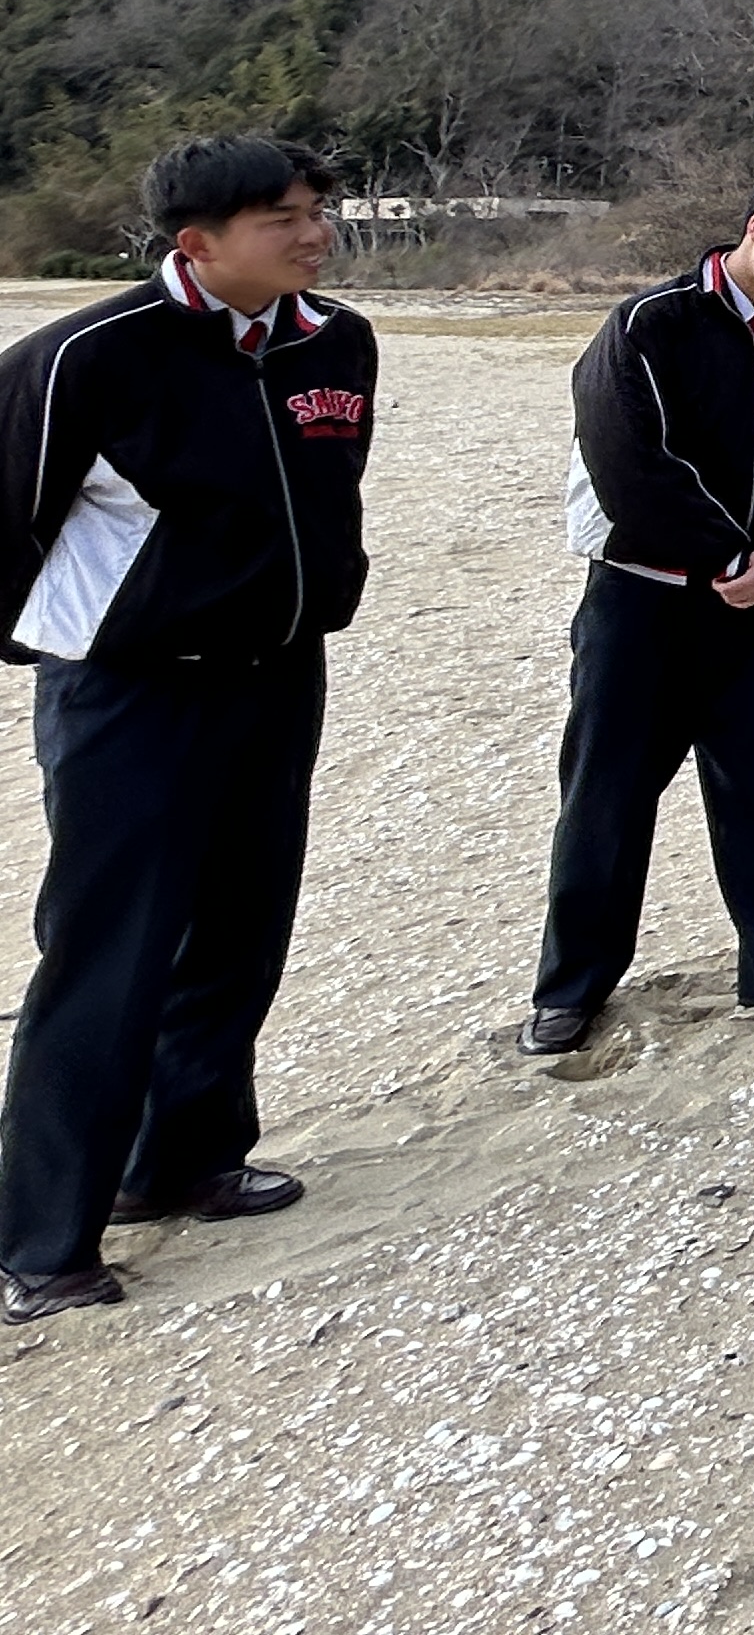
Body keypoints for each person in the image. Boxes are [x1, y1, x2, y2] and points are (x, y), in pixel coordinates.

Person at [0, 137, 375, 1324]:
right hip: (134, 694)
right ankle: (41, 1240)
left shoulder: (338, 342)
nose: (314, 235)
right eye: (284, 220)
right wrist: (64, 645)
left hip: (278, 676)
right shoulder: (81, 358)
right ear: (196, 242)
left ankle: (188, 1159)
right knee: (111, 948)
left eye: (317, 212)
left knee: (240, 928)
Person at [526, 165, 754, 1056]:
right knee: (606, 795)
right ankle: (571, 988)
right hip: (639, 598)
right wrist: (726, 554)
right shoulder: (651, 324)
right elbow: (628, 463)